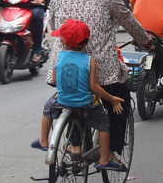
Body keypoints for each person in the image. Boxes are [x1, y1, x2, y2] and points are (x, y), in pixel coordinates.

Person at [49, 0, 151, 159]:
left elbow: (52, 24)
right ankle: (111, 152)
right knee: (119, 102)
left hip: (64, 65)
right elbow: (129, 22)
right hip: (101, 68)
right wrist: (145, 40)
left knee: (74, 96)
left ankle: (74, 144)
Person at [32, 19, 126, 171]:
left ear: (63, 42)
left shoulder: (59, 57)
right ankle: (104, 159)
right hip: (85, 103)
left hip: (62, 100)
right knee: (104, 125)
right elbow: (94, 87)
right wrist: (112, 99)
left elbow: (55, 80)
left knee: (48, 108)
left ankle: (43, 140)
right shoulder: (90, 61)